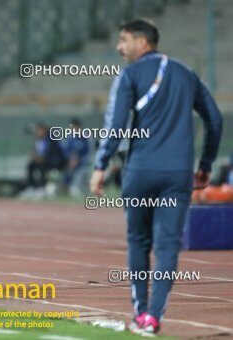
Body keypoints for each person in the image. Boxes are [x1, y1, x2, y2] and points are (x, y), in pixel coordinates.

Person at [90, 19, 222, 335]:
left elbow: (116, 125)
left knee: (138, 240)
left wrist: (101, 165)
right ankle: (153, 318)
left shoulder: (130, 75)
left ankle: (139, 313)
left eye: (123, 40)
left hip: (140, 173)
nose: (119, 48)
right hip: (178, 175)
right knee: (167, 246)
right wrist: (205, 163)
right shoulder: (186, 73)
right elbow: (214, 119)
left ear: (142, 41)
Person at [19, 123, 65, 200]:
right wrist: (35, 156)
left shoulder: (51, 139)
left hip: (53, 162)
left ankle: (42, 188)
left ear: (44, 131)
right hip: (40, 161)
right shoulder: (37, 139)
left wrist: (42, 158)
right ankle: (31, 187)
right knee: (30, 166)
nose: (38, 132)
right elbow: (34, 151)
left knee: (42, 166)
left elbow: (51, 153)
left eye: (39, 130)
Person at [62, 118, 91, 197]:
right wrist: (70, 159)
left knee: (78, 173)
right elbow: (66, 151)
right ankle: (65, 189)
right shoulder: (69, 139)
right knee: (66, 173)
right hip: (71, 163)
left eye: (75, 127)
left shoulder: (85, 138)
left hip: (83, 163)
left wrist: (78, 160)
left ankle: (77, 189)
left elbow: (88, 152)